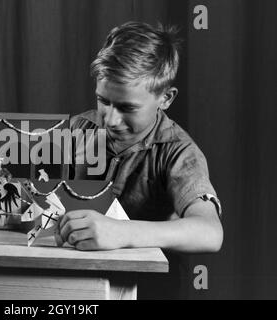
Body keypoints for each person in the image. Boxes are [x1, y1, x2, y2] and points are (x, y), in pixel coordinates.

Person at [60, 22, 223, 298]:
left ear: (166, 98)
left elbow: (210, 233)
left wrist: (121, 233)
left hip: (150, 291)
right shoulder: (78, 128)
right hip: (81, 289)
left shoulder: (179, 152)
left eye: (127, 107)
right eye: (103, 101)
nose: (110, 120)